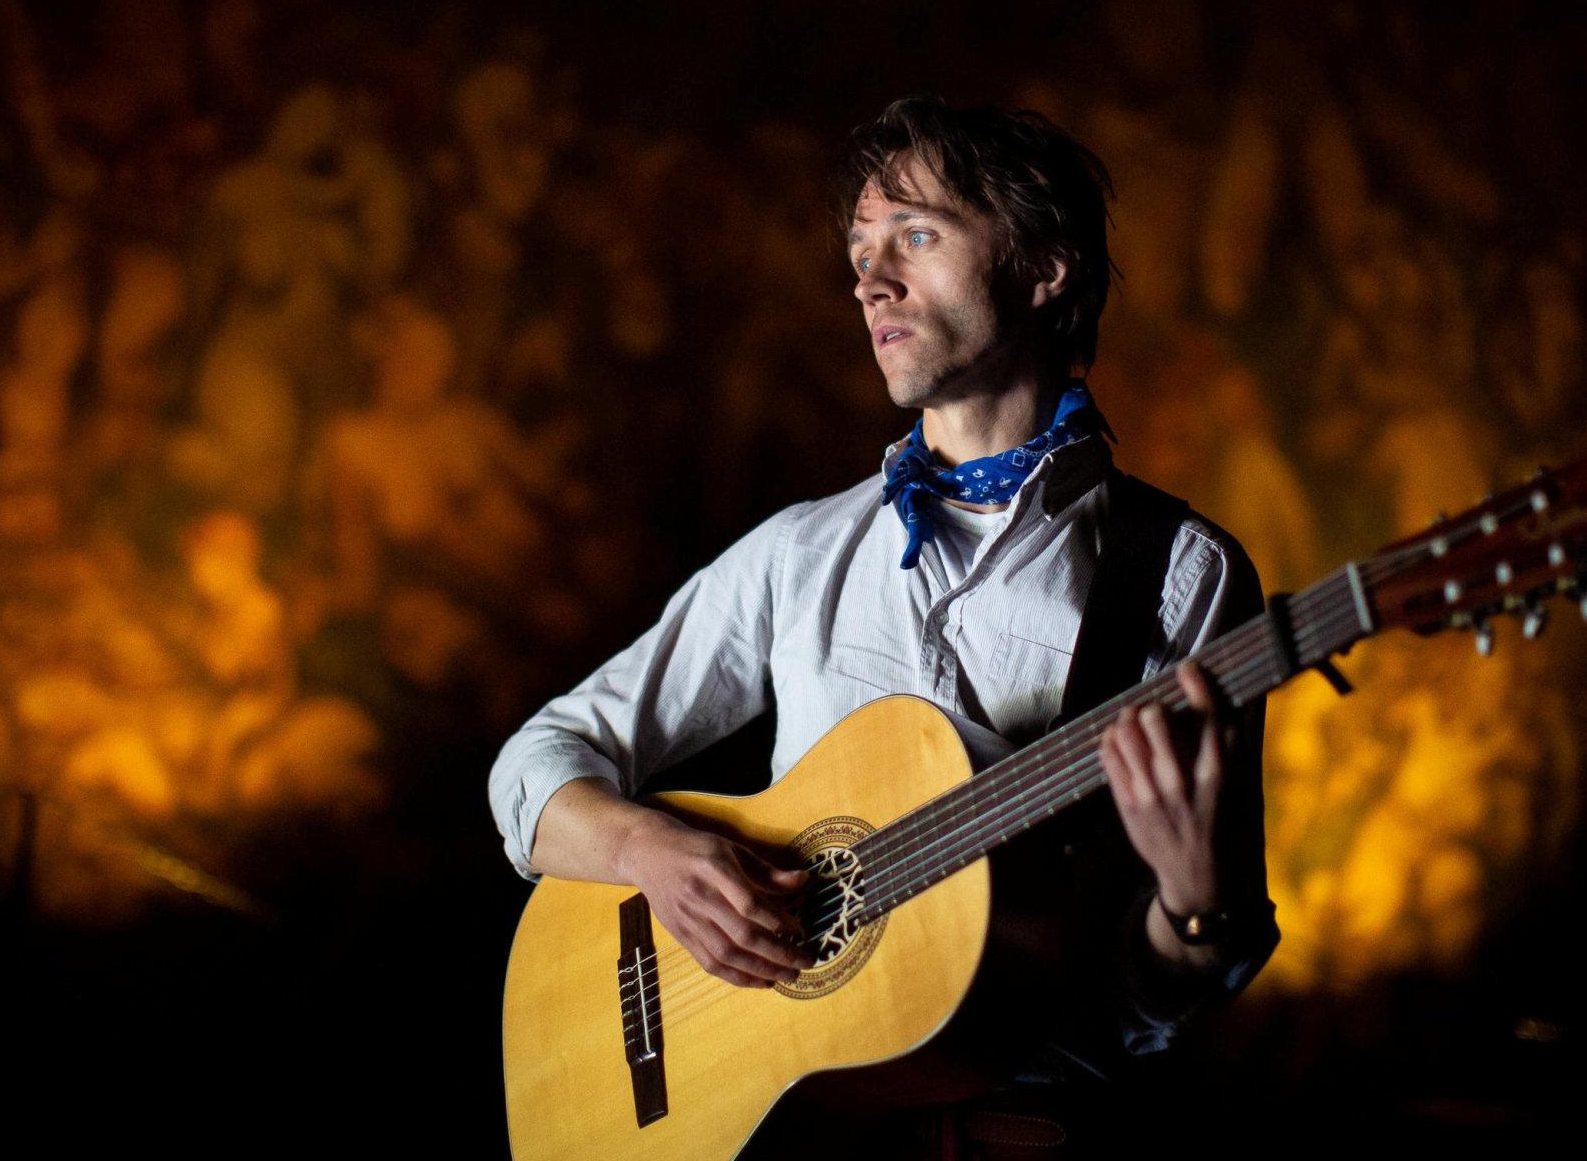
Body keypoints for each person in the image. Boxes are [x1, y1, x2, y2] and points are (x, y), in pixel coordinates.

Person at [488, 96, 1278, 1154]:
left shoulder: (1180, 574)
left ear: (1043, 268)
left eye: (916, 234)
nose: (871, 279)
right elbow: (531, 770)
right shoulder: (799, 552)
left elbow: (1154, 1006)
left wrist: (1194, 904)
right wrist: (652, 851)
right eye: (861, 250)